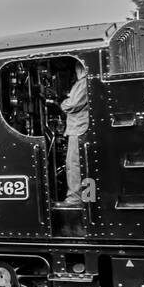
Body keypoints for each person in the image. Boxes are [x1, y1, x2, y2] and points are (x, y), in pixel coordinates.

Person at [61, 62, 90, 204]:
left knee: (74, 165)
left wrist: (62, 103)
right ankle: (89, 196)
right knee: (86, 165)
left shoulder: (82, 83)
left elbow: (72, 104)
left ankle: (75, 198)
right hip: (81, 127)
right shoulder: (86, 82)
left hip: (78, 128)